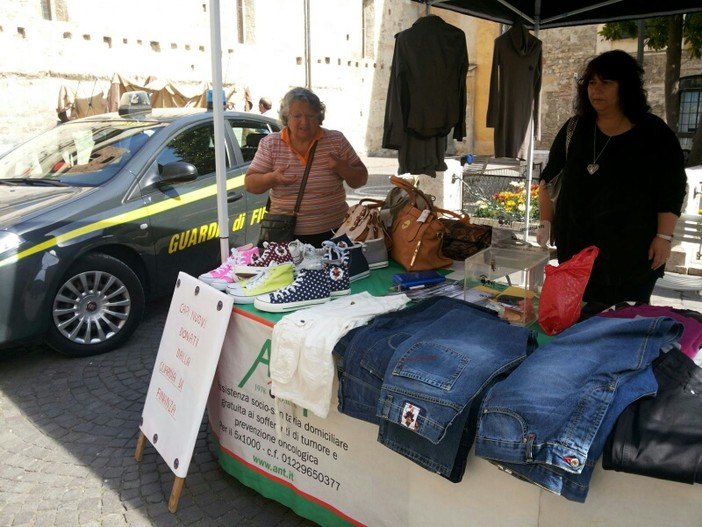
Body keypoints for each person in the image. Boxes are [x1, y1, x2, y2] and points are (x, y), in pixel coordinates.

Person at [537, 49, 687, 307]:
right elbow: (548, 178)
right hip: (576, 249)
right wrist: (545, 222)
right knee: (577, 317)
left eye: (606, 82)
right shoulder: (575, 128)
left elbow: (671, 190)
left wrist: (664, 238)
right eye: (591, 82)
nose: (596, 90)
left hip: (634, 252)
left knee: (626, 323)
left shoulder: (654, 133)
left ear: (625, 87)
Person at [245, 87, 368, 247]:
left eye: (310, 116)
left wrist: (342, 167)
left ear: (319, 117)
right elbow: (250, 184)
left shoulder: (336, 141)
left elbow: (361, 179)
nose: (304, 122)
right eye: (297, 116)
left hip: (334, 234)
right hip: (285, 236)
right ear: (286, 118)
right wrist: (272, 178)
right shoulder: (271, 144)